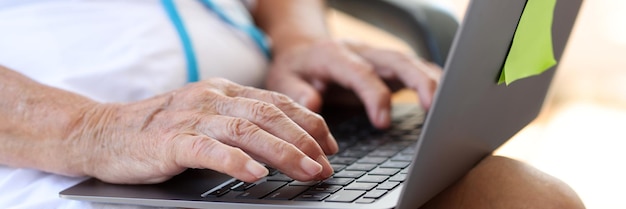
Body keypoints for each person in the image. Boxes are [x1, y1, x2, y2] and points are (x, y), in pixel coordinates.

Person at [0, 0, 584, 208]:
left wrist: (299, 40)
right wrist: (92, 128)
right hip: (63, 166)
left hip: (259, 138)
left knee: (531, 200)